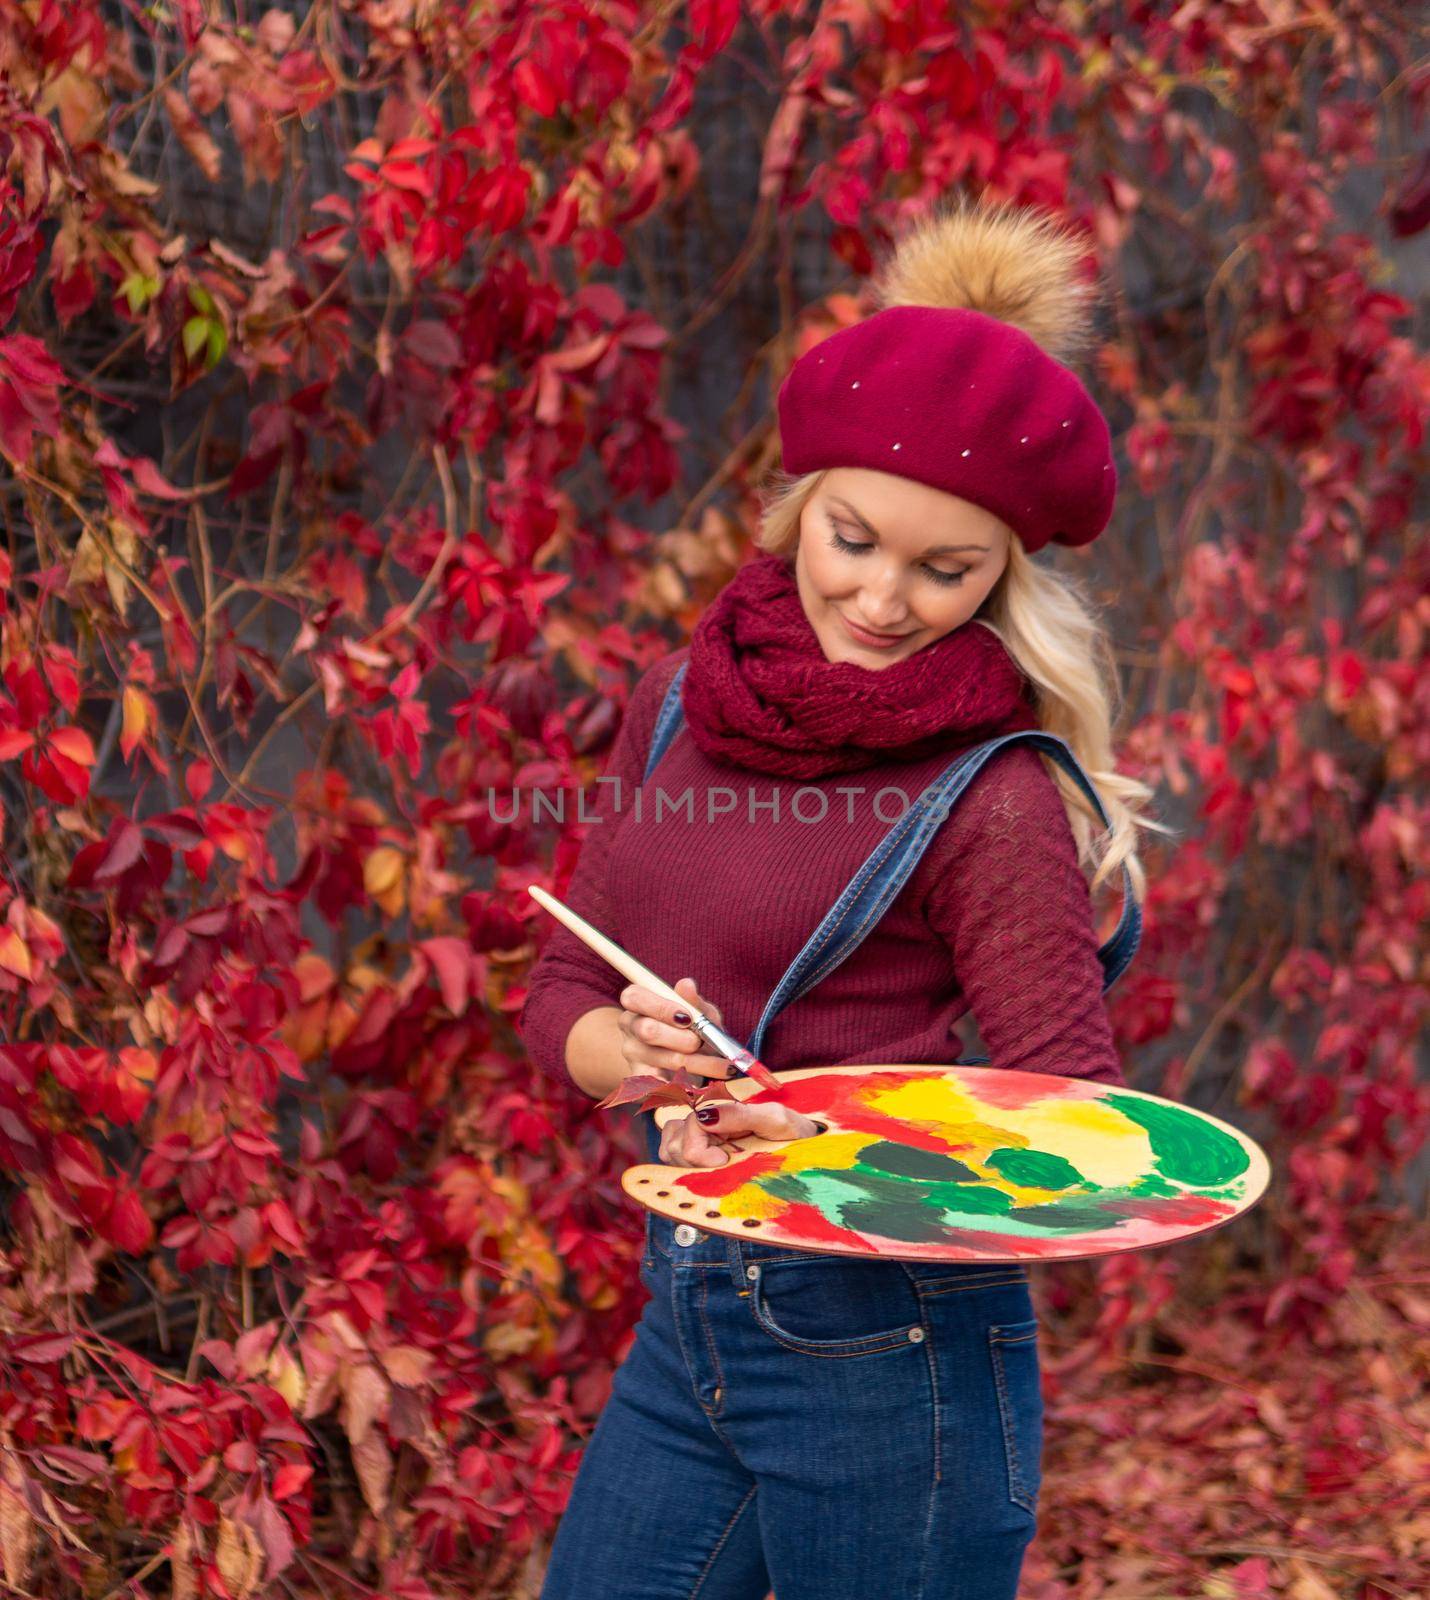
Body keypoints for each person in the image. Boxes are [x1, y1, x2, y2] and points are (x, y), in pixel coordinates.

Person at [519, 195, 1162, 1600]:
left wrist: (823, 1139)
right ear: (799, 507)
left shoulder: (987, 800)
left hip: (889, 1354)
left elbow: (1073, 1138)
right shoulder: (681, 704)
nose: (881, 600)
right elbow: (558, 991)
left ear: (1005, 576)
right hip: (686, 1305)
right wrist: (636, 1054)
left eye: (948, 571)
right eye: (852, 541)